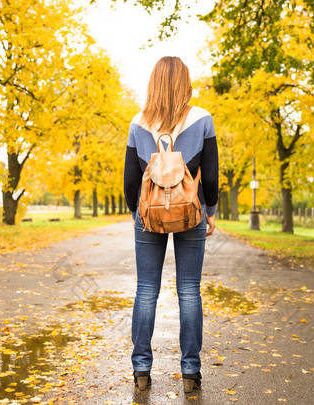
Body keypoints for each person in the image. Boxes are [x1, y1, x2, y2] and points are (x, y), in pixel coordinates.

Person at [123, 56, 219, 394]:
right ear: (185, 82)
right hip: (189, 213)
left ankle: (141, 370)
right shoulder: (203, 119)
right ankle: (191, 371)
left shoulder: (139, 122)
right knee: (189, 290)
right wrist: (211, 211)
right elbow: (211, 172)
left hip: (149, 216)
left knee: (146, 289)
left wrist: (137, 212)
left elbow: (130, 179)